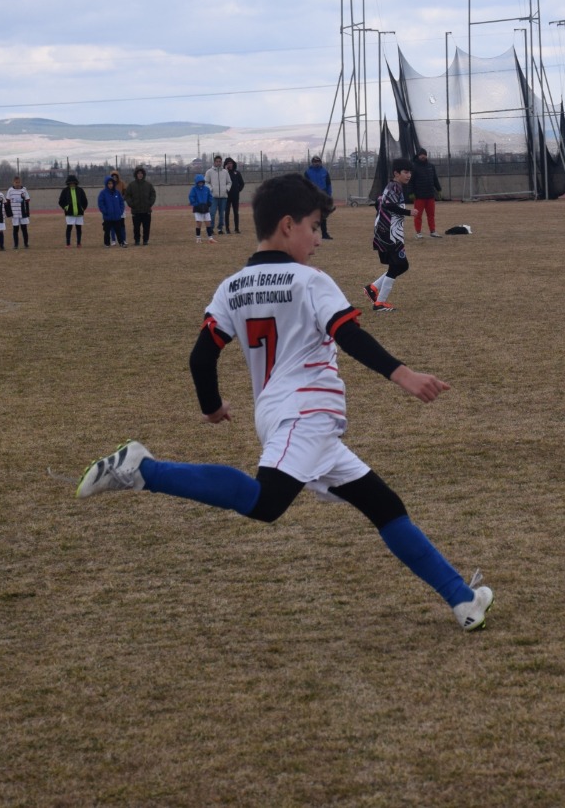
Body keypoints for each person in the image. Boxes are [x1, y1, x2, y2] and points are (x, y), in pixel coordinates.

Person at [74, 172, 494, 632]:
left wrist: (211, 406)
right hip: (306, 414)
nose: (317, 240)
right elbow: (348, 335)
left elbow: (201, 357)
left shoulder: (231, 286)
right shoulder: (310, 281)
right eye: (314, 227)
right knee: (266, 503)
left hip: (282, 416)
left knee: (384, 504)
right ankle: (143, 470)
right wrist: (405, 375)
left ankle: (462, 599)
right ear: (288, 225)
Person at [365, 159, 413, 313]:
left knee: (399, 265)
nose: (408, 175)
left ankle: (373, 288)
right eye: (405, 172)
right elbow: (387, 204)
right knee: (400, 265)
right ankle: (380, 303)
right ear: (396, 173)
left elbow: (379, 203)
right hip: (390, 234)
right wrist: (408, 212)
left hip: (390, 232)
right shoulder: (394, 187)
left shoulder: (393, 186)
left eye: (410, 172)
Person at [409, 148, 443, 239]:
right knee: (418, 215)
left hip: (430, 195)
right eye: (421, 154)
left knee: (431, 215)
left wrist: (439, 189)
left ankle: (433, 231)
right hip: (419, 196)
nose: (423, 156)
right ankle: (418, 233)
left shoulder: (431, 166)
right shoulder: (414, 166)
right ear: (418, 155)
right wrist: (411, 193)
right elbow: (411, 181)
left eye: (424, 154)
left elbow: (435, 179)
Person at [124, 165, 157, 246]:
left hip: (146, 210)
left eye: (141, 173)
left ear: (143, 174)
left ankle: (145, 240)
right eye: (138, 173)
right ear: (136, 174)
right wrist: (131, 204)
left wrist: (150, 203)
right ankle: (137, 240)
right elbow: (127, 195)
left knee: (146, 227)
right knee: (136, 228)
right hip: (136, 211)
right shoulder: (131, 185)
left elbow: (153, 194)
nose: (140, 174)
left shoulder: (148, 185)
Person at [305, 155, 334, 239]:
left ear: (320, 162)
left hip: (323, 195)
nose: (316, 163)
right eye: (315, 162)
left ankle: (324, 234)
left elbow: (328, 184)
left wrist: (329, 195)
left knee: (323, 215)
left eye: (318, 162)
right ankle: (310, 234)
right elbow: (305, 184)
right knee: (312, 215)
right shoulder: (307, 172)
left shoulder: (325, 172)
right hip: (312, 195)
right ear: (312, 163)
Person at [97, 175, 127, 247]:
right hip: (108, 217)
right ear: (106, 184)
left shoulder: (117, 192)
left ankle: (121, 243)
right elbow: (101, 203)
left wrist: (120, 211)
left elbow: (121, 202)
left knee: (118, 231)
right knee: (107, 231)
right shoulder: (103, 193)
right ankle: (107, 243)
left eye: (111, 183)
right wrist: (105, 211)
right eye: (109, 183)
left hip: (117, 216)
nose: (110, 185)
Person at [59, 174, 88, 247]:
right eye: (70, 183)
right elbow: (61, 201)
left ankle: (79, 243)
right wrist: (66, 207)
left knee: (79, 228)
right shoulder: (65, 191)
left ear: (76, 183)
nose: (72, 184)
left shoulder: (80, 190)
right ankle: (68, 243)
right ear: (68, 183)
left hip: (79, 213)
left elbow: (85, 201)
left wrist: (82, 208)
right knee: (69, 228)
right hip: (69, 213)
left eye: (73, 183)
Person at [206, 156, 232, 234]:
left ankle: (220, 229)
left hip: (223, 196)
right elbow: (206, 182)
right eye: (217, 161)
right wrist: (211, 189)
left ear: (221, 162)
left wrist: (226, 189)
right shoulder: (209, 172)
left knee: (221, 214)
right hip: (213, 197)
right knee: (212, 213)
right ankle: (211, 228)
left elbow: (229, 182)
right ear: (214, 162)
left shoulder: (225, 172)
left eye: (219, 161)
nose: (218, 163)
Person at [7, 175, 32, 249]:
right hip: (14, 214)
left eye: (19, 182)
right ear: (13, 182)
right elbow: (7, 201)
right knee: (15, 229)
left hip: (23, 213)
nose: (17, 184)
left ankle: (26, 243)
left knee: (24, 229)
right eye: (16, 182)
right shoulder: (10, 190)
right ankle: (16, 244)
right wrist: (9, 212)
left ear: (21, 182)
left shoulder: (24, 190)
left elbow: (27, 201)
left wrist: (27, 211)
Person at [188, 173, 215, 242]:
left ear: (203, 182)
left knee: (208, 222)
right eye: (199, 182)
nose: (200, 183)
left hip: (205, 208)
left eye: (201, 182)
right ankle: (198, 237)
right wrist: (196, 204)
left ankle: (210, 238)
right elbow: (191, 197)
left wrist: (209, 203)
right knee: (199, 223)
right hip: (198, 209)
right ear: (196, 182)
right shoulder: (194, 189)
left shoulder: (206, 189)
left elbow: (210, 196)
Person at [224, 157, 245, 235]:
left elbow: (242, 183)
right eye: (228, 163)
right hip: (226, 196)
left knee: (236, 212)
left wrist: (238, 190)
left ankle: (236, 228)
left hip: (235, 196)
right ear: (226, 164)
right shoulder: (224, 173)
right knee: (227, 213)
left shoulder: (237, 173)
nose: (230, 164)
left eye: (231, 163)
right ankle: (227, 229)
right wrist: (225, 170)